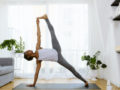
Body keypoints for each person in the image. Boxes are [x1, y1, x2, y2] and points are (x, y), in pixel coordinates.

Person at [24, 14, 89, 87]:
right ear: (29, 55)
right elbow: (36, 73)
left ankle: (46, 19)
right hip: (59, 59)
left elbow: (38, 35)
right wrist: (34, 84)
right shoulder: (38, 61)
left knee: (52, 32)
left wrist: (37, 24)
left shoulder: (37, 48)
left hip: (56, 48)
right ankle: (85, 81)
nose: (28, 50)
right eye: (27, 51)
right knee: (71, 68)